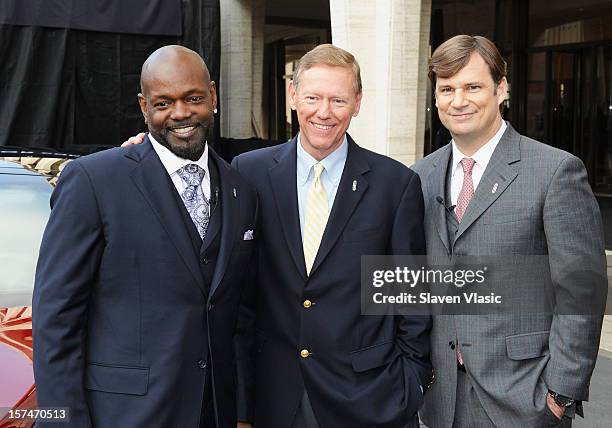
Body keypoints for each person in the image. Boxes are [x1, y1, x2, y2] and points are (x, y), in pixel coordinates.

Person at [32, 45, 258, 427]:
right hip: (122, 415)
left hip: (211, 413)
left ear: (214, 96)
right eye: (163, 103)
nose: (181, 113)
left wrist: (241, 412)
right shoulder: (94, 181)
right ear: (143, 107)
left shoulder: (241, 189)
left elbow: (240, 315)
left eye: (194, 98)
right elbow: (56, 317)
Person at [411, 35, 607, 427]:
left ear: (501, 89)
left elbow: (581, 289)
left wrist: (559, 394)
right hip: (439, 399)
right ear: (435, 98)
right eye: (447, 89)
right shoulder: (419, 176)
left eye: (472, 86)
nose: (458, 100)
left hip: (524, 400)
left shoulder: (554, 171)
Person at [232, 44, 432, 428]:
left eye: (338, 99)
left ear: (357, 103)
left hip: (369, 397)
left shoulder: (396, 184)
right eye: (312, 97)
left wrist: (411, 382)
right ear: (293, 96)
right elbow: (241, 296)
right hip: (273, 396)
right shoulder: (249, 173)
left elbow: (411, 298)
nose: (324, 112)